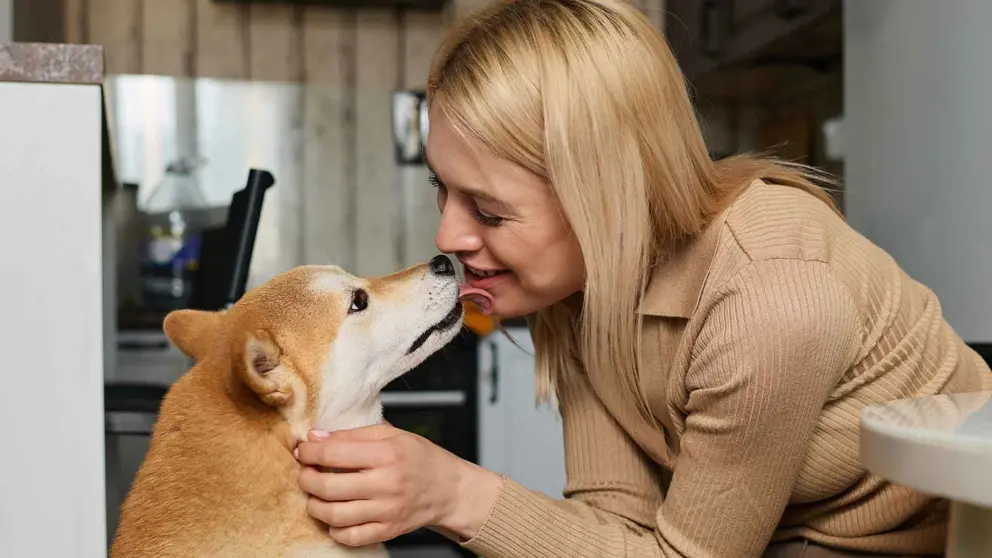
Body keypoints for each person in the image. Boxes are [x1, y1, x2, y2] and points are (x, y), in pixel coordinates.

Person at [294, 1, 992, 557]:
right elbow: (617, 529)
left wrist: (450, 494)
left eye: (491, 211)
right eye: (444, 191)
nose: (448, 237)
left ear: (603, 195)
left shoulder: (770, 299)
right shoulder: (583, 283)